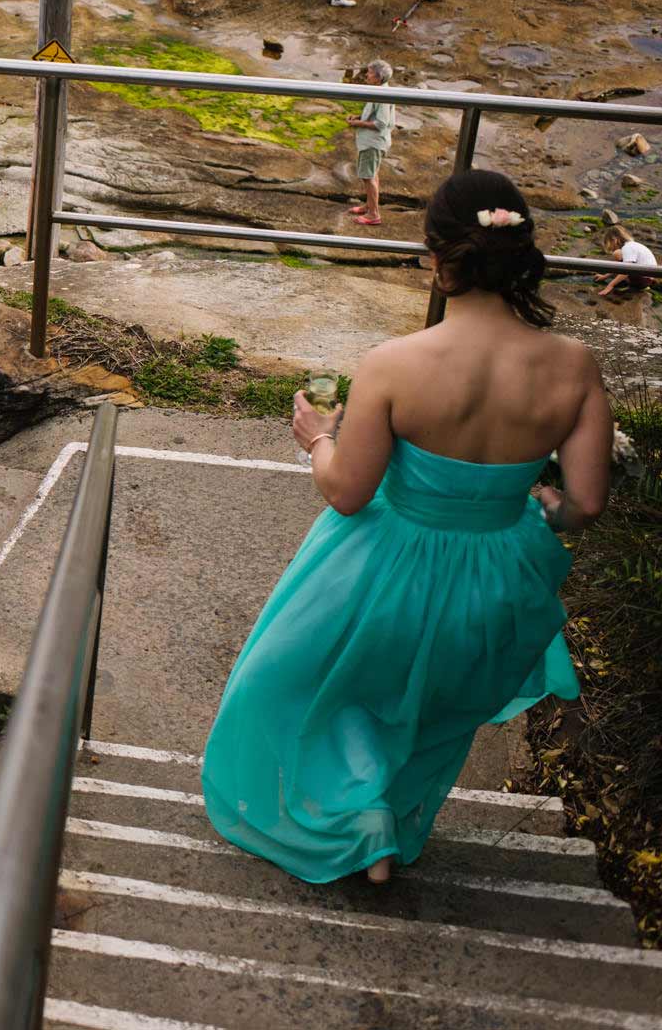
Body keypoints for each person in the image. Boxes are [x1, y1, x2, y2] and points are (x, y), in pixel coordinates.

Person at [201, 169, 609, 888]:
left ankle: (360, 821)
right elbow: (584, 503)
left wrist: (316, 438)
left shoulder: (395, 363)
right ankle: (387, 811)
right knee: (432, 709)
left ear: (437, 255)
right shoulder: (574, 367)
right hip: (496, 583)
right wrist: (532, 503)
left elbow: (348, 493)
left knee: (300, 685)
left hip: (387, 570)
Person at [345, 59, 395, 226]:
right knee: (372, 175)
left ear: (378, 78)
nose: (366, 75)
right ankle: (369, 205)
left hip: (372, 143)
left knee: (368, 177)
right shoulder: (381, 91)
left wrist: (357, 124)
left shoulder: (382, 96)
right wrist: (359, 117)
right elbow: (377, 117)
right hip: (375, 142)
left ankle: (374, 214)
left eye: (370, 73)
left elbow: (381, 123)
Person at [596, 222, 657, 299]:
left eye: (610, 244)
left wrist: (610, 285)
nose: (612, 248)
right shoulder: (631, 245)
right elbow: (620, 266)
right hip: (647, 278)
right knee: (619, 257)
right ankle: (626, 282)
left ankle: (631, 285)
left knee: (617, 254)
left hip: (643, 280)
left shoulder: (628, 248)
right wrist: (604, 277)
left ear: (614, 240)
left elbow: (626, 270)